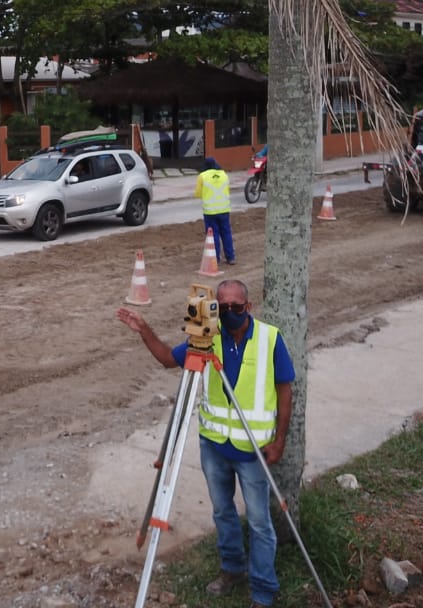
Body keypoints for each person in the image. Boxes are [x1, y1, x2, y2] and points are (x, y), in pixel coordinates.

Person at [117, 279, 295, 608]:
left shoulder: (270, 339)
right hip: (214, 446)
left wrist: (280, 438)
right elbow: (170, 360)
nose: (229, 313)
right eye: (222, 307)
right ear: (214, 308)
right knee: (222, 512)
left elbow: (285, 389)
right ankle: (232, 570)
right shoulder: (206, 337)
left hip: (253, 450)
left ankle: (263, 591)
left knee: (259, 522)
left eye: (236, 307)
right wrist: (144, 329)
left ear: (248, 307)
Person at [195, 156, 235, 265]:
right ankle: (230, 257)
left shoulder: (202, 176)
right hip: (224, 209)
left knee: (213, 235)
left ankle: (216, 258)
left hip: (210, 212)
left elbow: (197, 194)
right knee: (226, 233)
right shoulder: (224, 175)